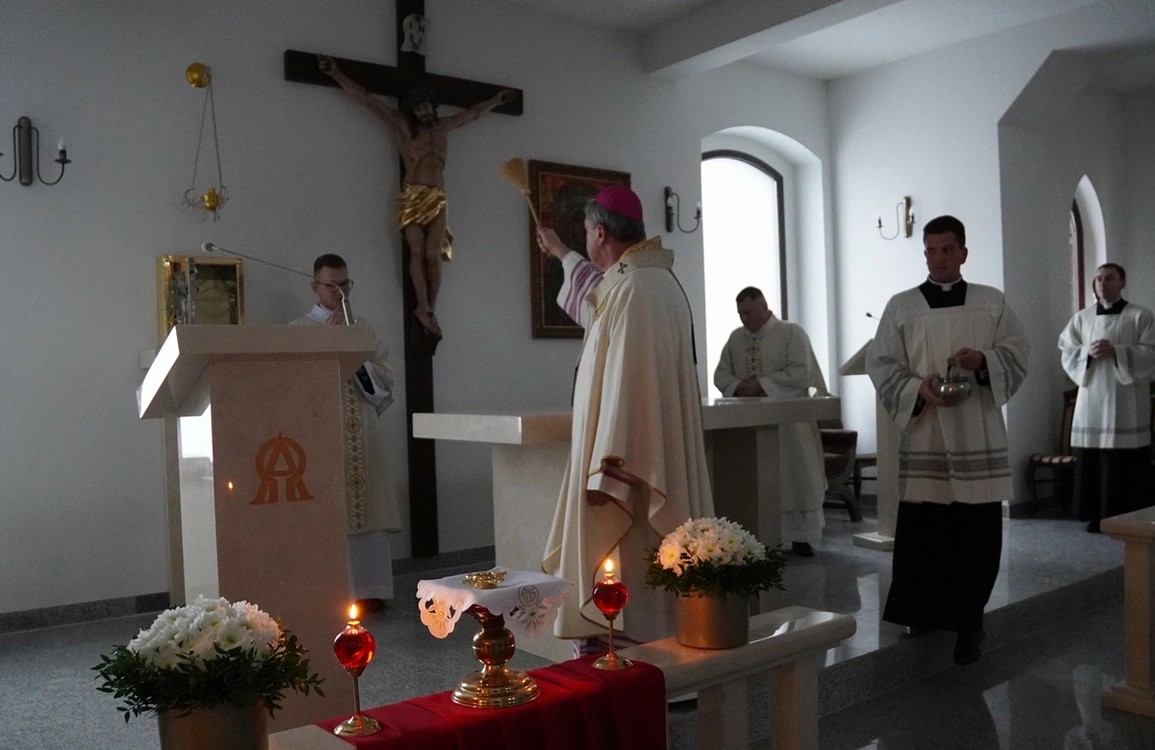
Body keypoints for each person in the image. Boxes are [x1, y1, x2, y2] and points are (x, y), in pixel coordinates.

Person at [537, 186, 713, 651]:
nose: (585, 241)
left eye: (585, 233)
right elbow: (595, 302)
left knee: (634, 567)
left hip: (633, 467)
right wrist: (561, 252)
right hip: (641, 453)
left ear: (599, 233)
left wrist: (609, 469)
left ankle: (641, 662)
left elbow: (630, 386)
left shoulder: (637, 291)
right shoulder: (643, 282)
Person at [866, 215, 1030, 665]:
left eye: (947, 250)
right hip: (927, 436)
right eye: (930, 250)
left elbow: (1018, 352)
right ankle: (922, 614)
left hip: (977, 429)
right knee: (924, 533)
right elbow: (882, 363)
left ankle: (969, 624)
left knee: (975, 535)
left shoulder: (990, 302)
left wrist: (984, 360)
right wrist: (917, 388)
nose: (938, 259)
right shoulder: (901, 306)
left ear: (963, 253)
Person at [318, 55, 515, 337]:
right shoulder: (403, 127)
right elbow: (366, 100)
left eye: (426, 107)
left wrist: (496, 100)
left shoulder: (444, 126)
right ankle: (421, 304)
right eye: (418, 108)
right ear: (413, 111)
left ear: (433, 107)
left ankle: (430, 308)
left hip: (438, 197)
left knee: (434, 256)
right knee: (418, 251)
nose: (423, 112)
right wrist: (336, 74)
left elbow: (473, 113)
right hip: (413, 197)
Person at [290, 254, 400, 609]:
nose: (340, 293)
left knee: (370, 510)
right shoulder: (297, 331)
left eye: (345, 285)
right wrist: (330, 344)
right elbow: (295, 389)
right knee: (330, 512)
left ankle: (371, 591)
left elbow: (384, 385)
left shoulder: (365, 329)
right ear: (315, 286)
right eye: (332, 286)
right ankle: (333, 592)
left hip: (363, 436)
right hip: (324, 438)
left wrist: (352, 350)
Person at [713, 287, 828, 557]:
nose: (744, 318)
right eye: (740, 314)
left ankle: (800, 537)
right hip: (749, 425)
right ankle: (756, 537)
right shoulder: (736, 338)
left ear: (764, 308)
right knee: (755, 480)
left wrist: (763, 385)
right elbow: (721, 374)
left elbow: (802, 372)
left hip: (790, 425)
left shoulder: (791, 333)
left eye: (749, 312)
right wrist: (738, 386)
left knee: (795, 478)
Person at [1058, 263, 1155, 532]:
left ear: (1123, 282)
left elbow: (1151, 352)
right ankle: (1095, 516)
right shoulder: (1082, 318)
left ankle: (1128, 516)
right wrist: (1086, 354)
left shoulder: (1140, 316)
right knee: (1093, 460)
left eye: (1109, 278)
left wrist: (1118, 352)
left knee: (1124, 463)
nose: (1102, 283)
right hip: (1092, 399)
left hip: (1126, 401)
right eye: (1098, 279)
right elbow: (1067, 348)